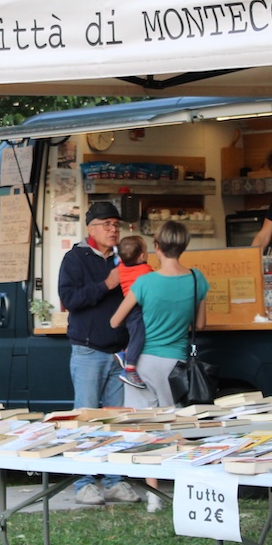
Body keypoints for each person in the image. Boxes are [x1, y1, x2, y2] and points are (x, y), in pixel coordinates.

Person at [110, 220, 209, 512]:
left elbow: (116, 320)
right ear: (184, 246)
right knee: (176, 425)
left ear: (156, 246)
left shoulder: (145, 282)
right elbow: (201, 324)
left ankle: (154, 496)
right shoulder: (196, 279)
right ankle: (185, 486)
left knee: (147, 426)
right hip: (176, 362)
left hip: (142, 363)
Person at [58, 200, 139, 506]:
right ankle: (84, 483)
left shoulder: (125, 259)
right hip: (88, 351)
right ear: (91, 229)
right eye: (107, 224)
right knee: (86, 419)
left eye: (116, 224)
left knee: (117, 421)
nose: (113, 229)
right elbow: (69, 299)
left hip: (120, 351)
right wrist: (107, 283)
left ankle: (116, 481)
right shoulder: (75, 258)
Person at [112, 235, 153, 390]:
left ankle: (125, 353)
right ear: (142, 255)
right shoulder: (145, 271)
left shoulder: (121, 267)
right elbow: (155, 282)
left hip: (128, 307)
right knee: (139, 334)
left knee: (135, 335)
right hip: (136, 307)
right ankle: (129, 369)